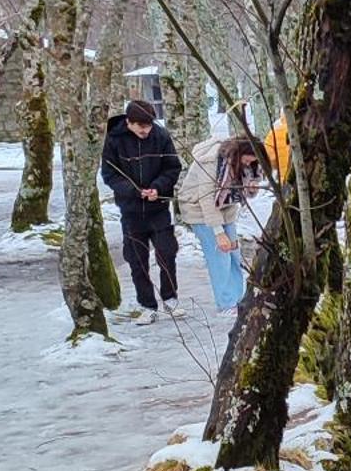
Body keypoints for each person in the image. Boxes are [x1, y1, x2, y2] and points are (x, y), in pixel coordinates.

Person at [100, 98, 182, 321]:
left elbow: (173, 167)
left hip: (159, 208)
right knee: (137, 260)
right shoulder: (114, 140)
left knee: (167, 252)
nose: (146, 130)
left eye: (149, 126)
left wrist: (158, 187)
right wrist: (134, 191)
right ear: (129, 122)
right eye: (141, 126)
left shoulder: (161, 136)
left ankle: (170, 298)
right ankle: (147, 305)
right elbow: (109, 174)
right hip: (131, 210)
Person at [176, 133, 263, 313]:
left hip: (226, 209)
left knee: (233, 254)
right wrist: (218, 232)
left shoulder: (247, 164)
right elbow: (206, 200)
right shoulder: (211, 162)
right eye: (248, 159)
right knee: (219, 256)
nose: (250, 164)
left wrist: (252, 188)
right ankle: (226, 303)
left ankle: (239, 298)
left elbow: (242, 191)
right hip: (199, 209)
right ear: (240, 153)